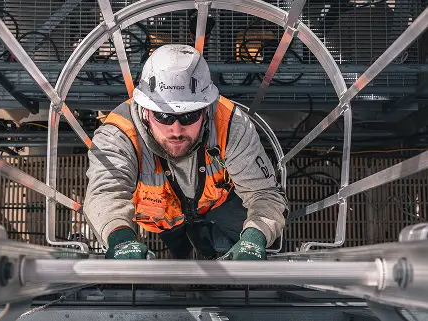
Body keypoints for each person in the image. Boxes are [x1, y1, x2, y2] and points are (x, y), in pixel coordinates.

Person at [84, 44, 288, 260]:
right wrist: (121, 240)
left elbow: (263, 194)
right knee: (179, 251)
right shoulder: (118, 135)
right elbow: (105, 194)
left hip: (218, 203)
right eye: (163, 116)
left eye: (189, 116)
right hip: (161, 217)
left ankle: (214, 254)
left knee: (240, 243)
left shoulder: (231, 125)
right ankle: (185, 256)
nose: (176, 130)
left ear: (206, 110)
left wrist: (254, 239)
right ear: (144, 111)